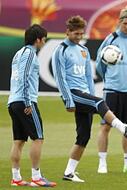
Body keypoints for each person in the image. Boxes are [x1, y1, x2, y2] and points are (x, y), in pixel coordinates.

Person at [51, 15, 127, 183]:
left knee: (83, 136)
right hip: (73, 93)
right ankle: (124, 128)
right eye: (76, 34)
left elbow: (89, 76)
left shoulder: (83, 50)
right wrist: (68, 100)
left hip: (84, 93)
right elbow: (60, 78)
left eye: (81, 34)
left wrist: (91, 93)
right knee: (99, 102)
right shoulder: (60, 50)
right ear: (67, 32)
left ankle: (69, 172)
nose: (79, 37)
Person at [95, 7, 127, 174]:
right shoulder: (110, 39)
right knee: (106, 127)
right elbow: (99, 65)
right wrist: (109, 78)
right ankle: (102, 163)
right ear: (119, 22)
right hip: (112, 90)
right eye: (125, 23)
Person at [8, 24, 56, 187]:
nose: (44, 41)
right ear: (38, 39)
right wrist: (28, 102)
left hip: (13, 100)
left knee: (19, 140)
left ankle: (16, 177)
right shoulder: (29, 54)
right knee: (38, 137)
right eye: (44, 39)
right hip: (25, 101)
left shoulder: (18, 53)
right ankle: (36, 176)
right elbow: (24, 77)